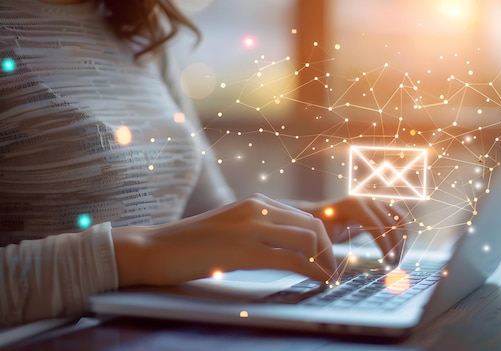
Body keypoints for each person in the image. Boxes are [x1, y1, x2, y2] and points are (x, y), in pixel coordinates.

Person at [0, 0, 408, 327]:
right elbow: (168, 242)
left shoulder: (137, 23)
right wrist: (141, 253)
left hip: (165, 327)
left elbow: (201, 212)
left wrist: (305, 224)